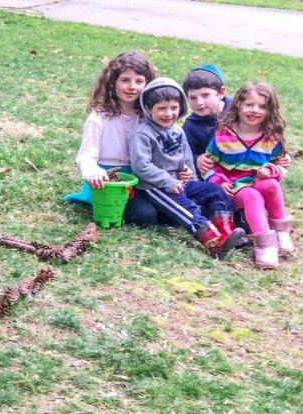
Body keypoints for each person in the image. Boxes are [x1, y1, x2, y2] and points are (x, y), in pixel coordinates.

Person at [129, 77, 245, 259]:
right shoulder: (142, 134)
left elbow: (186, 157)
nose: (168, 113)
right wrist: (168, 181)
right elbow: (140, 166)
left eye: (174, 108)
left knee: (214, 191)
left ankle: (226, 231)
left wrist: (189, 174)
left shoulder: (178, 131)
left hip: (181, 183)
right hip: (155, 187)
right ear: (148, 109)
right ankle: (214, 242)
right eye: (161, 108)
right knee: (188, 209)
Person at [64, 51, 158, 226]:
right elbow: (86, 156)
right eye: (125, 80)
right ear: (112, 82)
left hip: (139, 177)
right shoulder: (99, 117)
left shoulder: (147, 116)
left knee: (164, 211)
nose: (132, 87)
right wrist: (93, 171)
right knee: (145, 217)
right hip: (107, 180)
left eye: (139, 81)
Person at [206, 82, 292, 269]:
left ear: (270, 110)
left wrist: (272, 170)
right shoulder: (223, 135)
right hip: (234, 189)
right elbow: (208, 165)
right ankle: (264, 243)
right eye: (249, 105)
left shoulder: (271, 137)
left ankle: (280, 231)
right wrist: (216, 181)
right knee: (251, 195)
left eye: (262, 106)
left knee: (269, 184)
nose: (255, 110)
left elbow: (281, 166)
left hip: (260, 183)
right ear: (238, 105)